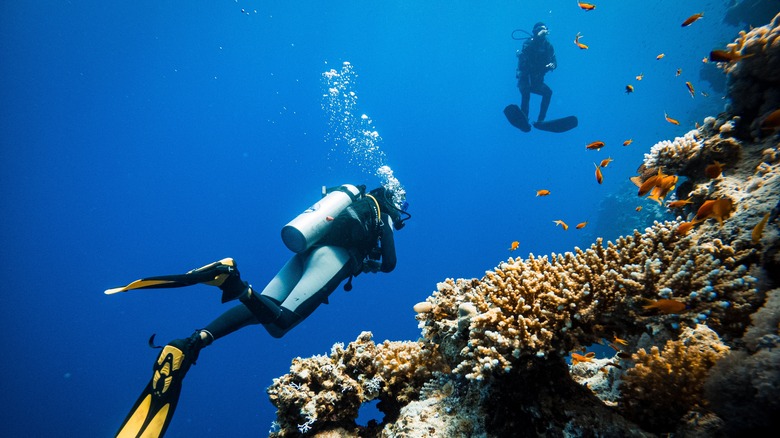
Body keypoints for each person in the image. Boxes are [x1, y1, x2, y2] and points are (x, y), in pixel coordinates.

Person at [108, 183, 410, 437]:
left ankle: (193, 342)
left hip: (305, 251)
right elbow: (391, 264)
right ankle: (233, 282)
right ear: (392, 200)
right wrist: (368, 261)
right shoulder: (379, 212)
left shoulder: (350, 198)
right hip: (333, 258)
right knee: (279, 324)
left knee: (261, 308)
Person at [516, 22, 557, 124]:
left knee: (548, 93)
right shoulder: (528, 43)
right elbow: (526, 54)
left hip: (537, 81)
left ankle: (541, 120)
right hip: (525, 79)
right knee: (526, 94)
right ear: (535, 32)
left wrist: (553, 65)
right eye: (539, 30)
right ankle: (524, 120)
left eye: (544, 29)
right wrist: (537, 39)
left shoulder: (548, 46)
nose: (542, 31)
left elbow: (555, 61)